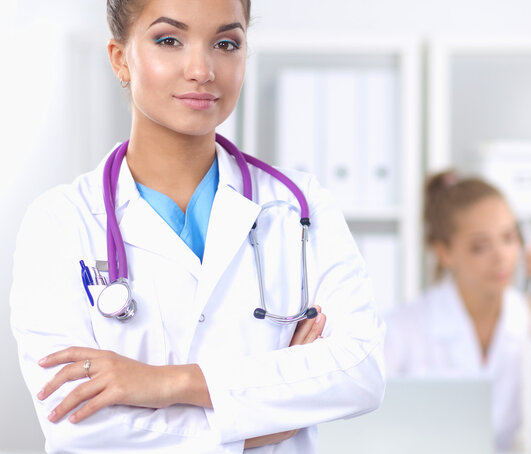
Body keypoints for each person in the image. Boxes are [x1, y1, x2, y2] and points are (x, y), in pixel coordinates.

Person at [9, 1, 385, 452]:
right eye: (169, 40)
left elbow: (361, 370)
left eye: (226, 44)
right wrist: (263, 419)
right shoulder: (59, 222)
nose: (202, 69)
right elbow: (78, 424)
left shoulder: (300, 207)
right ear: (119, 58)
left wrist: (166, 384)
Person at [384, 170, 531, 452]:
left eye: (509, 238)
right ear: (444, 252)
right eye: (480, 247)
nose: (502, 256)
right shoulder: (403, 327)